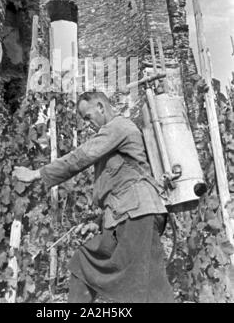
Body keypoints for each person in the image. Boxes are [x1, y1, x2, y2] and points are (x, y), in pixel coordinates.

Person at [13, 91, 174, 303]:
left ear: (101, 106)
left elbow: (82, 156)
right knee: (83, 263)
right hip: (123, 216)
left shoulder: (119, 127)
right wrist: (100, 220)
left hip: (138, 214)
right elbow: (115, 184)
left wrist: (37, 174)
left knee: (147, 289)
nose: (88, 124)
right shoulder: (114, 136)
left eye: (88, 117)